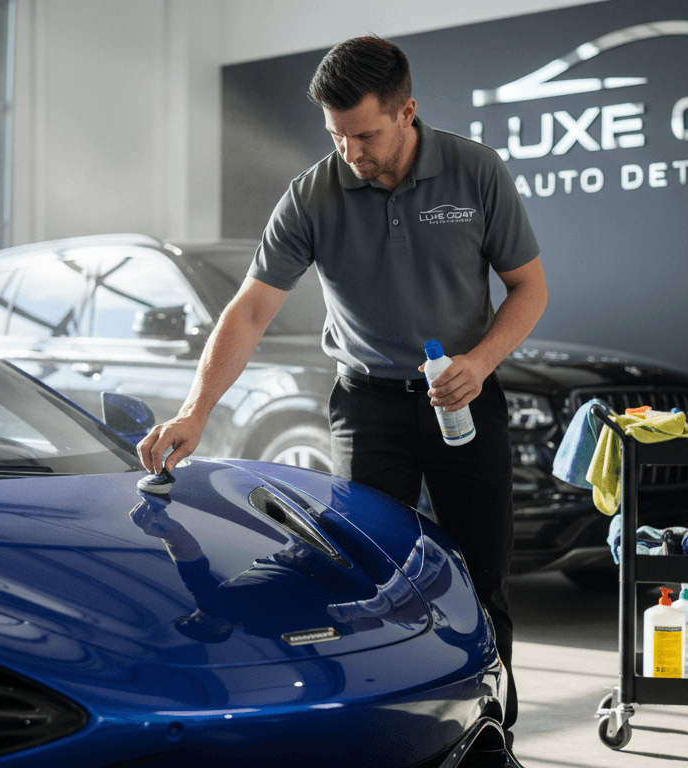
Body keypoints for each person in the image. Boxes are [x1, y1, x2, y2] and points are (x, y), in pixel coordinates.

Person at [137, 35, 546, 759]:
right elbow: (250, 310)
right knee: (367, 578)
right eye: (336, 136)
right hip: (369, 407)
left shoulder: (475, 170)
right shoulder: (314, 194)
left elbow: (528, 287)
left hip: (464, 397)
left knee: (482, 575)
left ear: (406, 112)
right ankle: (384, 738)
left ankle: (494, 740)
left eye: (364, 134)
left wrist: (480, 362)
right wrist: (196, 410)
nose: (350, 152)